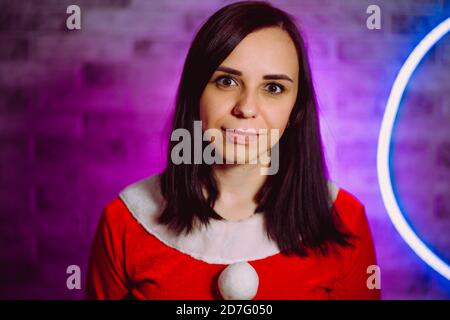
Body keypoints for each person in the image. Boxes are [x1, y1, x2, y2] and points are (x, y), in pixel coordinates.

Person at [86, 0, 381, 300]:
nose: (246, 108)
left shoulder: (344, 219)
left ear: (295, 110)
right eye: (226, 81)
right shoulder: (124, 221)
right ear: (197, 92)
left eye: (273, 88)